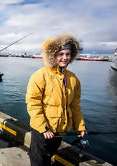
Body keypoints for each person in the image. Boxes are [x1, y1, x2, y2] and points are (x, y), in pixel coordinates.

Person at [26, 34, 86, 166]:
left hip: (60, 131)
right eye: (61, 54)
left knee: (49, 155)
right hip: (43, 131)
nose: (65, 58)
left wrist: (80, 126)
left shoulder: (73, 78)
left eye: (68, 54)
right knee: (38, 160)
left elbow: (75, 105)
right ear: (52, 55)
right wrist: (43, 128)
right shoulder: (40, 75)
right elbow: (33, 103)